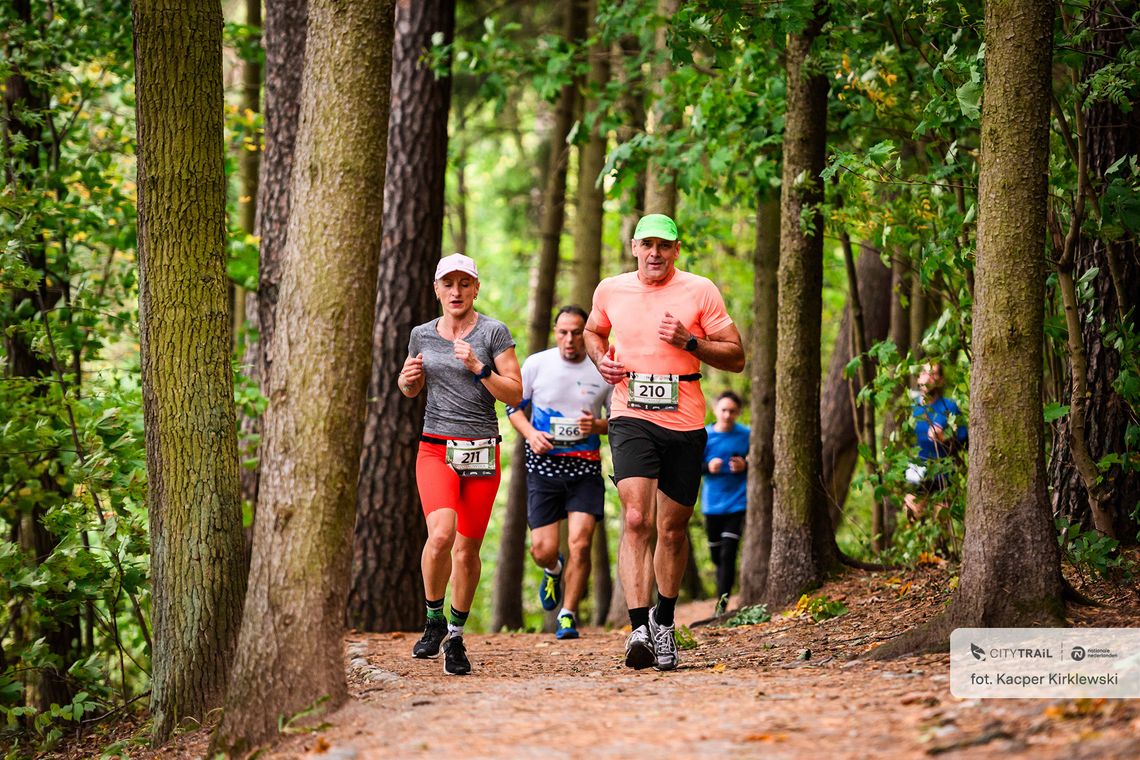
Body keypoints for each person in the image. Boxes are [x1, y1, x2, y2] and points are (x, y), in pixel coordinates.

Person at [585, 213, 745, 671]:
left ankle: (664, 621)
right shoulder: (610, 289)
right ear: (634, 246)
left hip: (685, 421)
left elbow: (736, 357)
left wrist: (691, 342)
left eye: (664, 245)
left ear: (676, 250)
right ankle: (638, 629)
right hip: (630, 413)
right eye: (647, 244)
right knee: (636, 518)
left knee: (672, 530)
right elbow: (595, 333)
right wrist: (601, 362)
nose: (655, 253)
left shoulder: (700, 290)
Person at [398, 253, 522, 676]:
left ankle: (455, 635)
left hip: (482, 450)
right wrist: (407, 381)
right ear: (436, 289)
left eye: (464, 284)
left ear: (476, 288)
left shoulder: (493, 332)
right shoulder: (421, 334)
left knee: (467, 549)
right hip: (435, 447)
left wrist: (478, 366)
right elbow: (410, 386)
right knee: (441, 535)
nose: (456, 291)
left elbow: (514, 394)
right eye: (448, 284)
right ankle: (432, 619)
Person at [507, 305, 611, 640]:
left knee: (581, 544)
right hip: (543, 467)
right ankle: (553, 569)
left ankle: (567, 614)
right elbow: (513, 408)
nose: (570, 339)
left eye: (577, 332)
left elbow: (620, 420)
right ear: (555, 332)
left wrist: (597, 425)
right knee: (542, 549)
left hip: (585, 467)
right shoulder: (537, 364)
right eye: (563, 332)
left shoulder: (602, 368)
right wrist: (531, 434)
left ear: (586, 333)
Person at [701, 390, 749, 606]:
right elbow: (691, 467)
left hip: (738, 502)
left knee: (728, 554)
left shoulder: (746, 434)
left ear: (738, 412)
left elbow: (760, 457)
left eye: (732, 411)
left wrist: (745, 464)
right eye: (724, 410)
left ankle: (721, 607)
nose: (728, 415)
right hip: (712, 505)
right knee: (716, 557)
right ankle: (721, 595)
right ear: (715, 410)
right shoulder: (705, 435)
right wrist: (708, 467)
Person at [904, 362, 968, 522]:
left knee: (941, 522)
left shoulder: (948, 406)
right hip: (918, 469)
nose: (928, 378)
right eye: (924, 373)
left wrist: (943, 437)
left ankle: (941, 544)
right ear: (919, 377)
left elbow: (956, 438)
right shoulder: (914, 408)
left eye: (933, 374)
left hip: (943, 471)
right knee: (911, 516)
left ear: (940, 381)